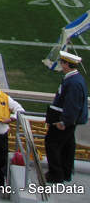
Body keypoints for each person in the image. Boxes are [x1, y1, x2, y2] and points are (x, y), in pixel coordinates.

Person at [44, 51, 89, 183]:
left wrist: (63, 122)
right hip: (69, 120)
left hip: (65, 121)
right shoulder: (74, 79)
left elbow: (72, 105)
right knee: (68, 147)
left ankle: (56, 175)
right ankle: (65, 173)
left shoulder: (73, 82)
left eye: (62, 62)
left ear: (66, 64)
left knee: (52, 143)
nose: (61, 64)